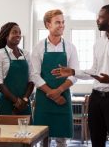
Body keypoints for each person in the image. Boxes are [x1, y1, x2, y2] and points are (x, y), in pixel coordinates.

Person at [51, 4, 109, 147]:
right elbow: (94, 71)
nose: (97, 20)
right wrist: (73, 72)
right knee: (96, 140)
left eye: (100, 17)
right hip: (96, 98)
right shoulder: (98, 42)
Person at [31, 9, 79, 147]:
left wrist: (58, 91)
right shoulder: (39, 47)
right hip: (43, 98)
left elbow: (74, 74)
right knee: (42, 138)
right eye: (57, 22)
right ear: (48, 24)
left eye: (63, 22)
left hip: (63, 96)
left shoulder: (70, 47)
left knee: (62, 139)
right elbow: (34, 75)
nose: (61, 25)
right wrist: (51, 93)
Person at [0, 22, 34, 115]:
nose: (18, 35)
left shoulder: (26, 54)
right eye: (14, 32)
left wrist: (24, 100)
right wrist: (17, 102)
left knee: (27, 130)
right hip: (6, 105)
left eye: (19, 32)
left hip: (24, 104)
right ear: (6, 35)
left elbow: (32, 79)